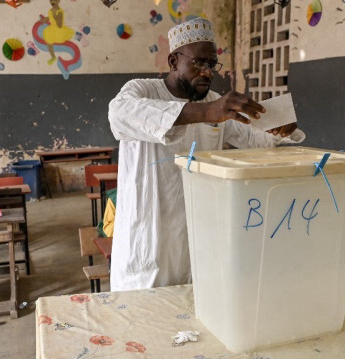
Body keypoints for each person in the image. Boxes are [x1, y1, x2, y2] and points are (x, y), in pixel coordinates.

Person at [107, 17, 305, 291]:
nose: (208, 72)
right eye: (198, 63)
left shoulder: (215, 103)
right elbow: (118, 115)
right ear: (174, 61)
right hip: (148, 233)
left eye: (212, 65)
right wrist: (205, 113)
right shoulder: (141, 90)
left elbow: (256, 139)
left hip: (195, 232)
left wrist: (280, 129)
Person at [41, 0, 74, 65]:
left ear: (58, 1)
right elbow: (50, 17)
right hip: (52, 28)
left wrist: (54, 16)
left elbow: (59, 25)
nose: (52, 2)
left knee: (51, 38)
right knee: (48, 41)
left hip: (59, 30)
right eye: (51, 0)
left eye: (54, 0)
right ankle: (53, 57)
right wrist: (45, 19)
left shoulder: (59, 12)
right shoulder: (51, 10)